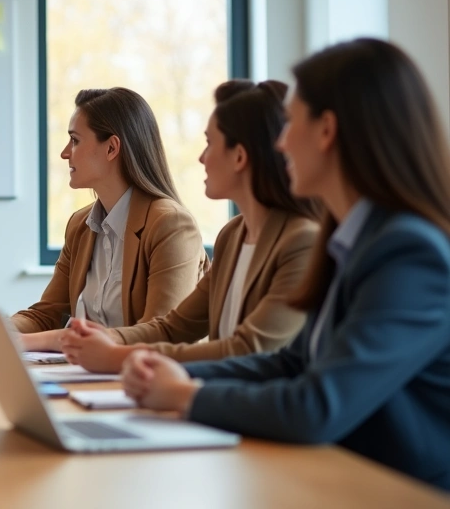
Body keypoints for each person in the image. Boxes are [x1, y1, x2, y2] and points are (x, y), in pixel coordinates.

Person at [122, 38, 450, 491]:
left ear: (326, 130)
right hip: (334, 476)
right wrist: (174, 374)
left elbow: (317, 407)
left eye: (291, 122)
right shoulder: (351, 238)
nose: (280, 142)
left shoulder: (410, 255)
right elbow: (290, 362)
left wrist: (185, 394)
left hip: (394, 490)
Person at [60, 81, 319, 372]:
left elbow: (247, 350)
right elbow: (173, 328)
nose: (201, 157)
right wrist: (105, 339)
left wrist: (115, 356)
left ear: (239, 156)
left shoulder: (302, 241)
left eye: (210, 143)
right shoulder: (233, 236)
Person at [12, 88, 208, 351]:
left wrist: (32, 341)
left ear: (112, 147)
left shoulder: (170, 225)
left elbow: (161, 333)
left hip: (141, 381)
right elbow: (45, 315)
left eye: (75, 140)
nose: (64, 153)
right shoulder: (79, 225)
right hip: (90, 377)